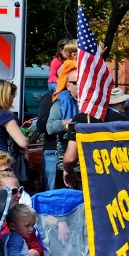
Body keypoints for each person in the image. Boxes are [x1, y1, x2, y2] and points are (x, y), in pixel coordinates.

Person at [47, 62, 80, 190]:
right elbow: (50, 128)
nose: (80, 85)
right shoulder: (60, 105)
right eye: (76, 82)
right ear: (68, 85)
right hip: (67, 165)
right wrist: (71, 122)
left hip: (91, 164)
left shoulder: (93, 104)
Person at [0, 80, 29, 155]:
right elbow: (23, 142)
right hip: (0, 160)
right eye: (13, 97)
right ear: (6, 97)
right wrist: (27, 139)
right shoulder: (4, 115)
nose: (12, 101)